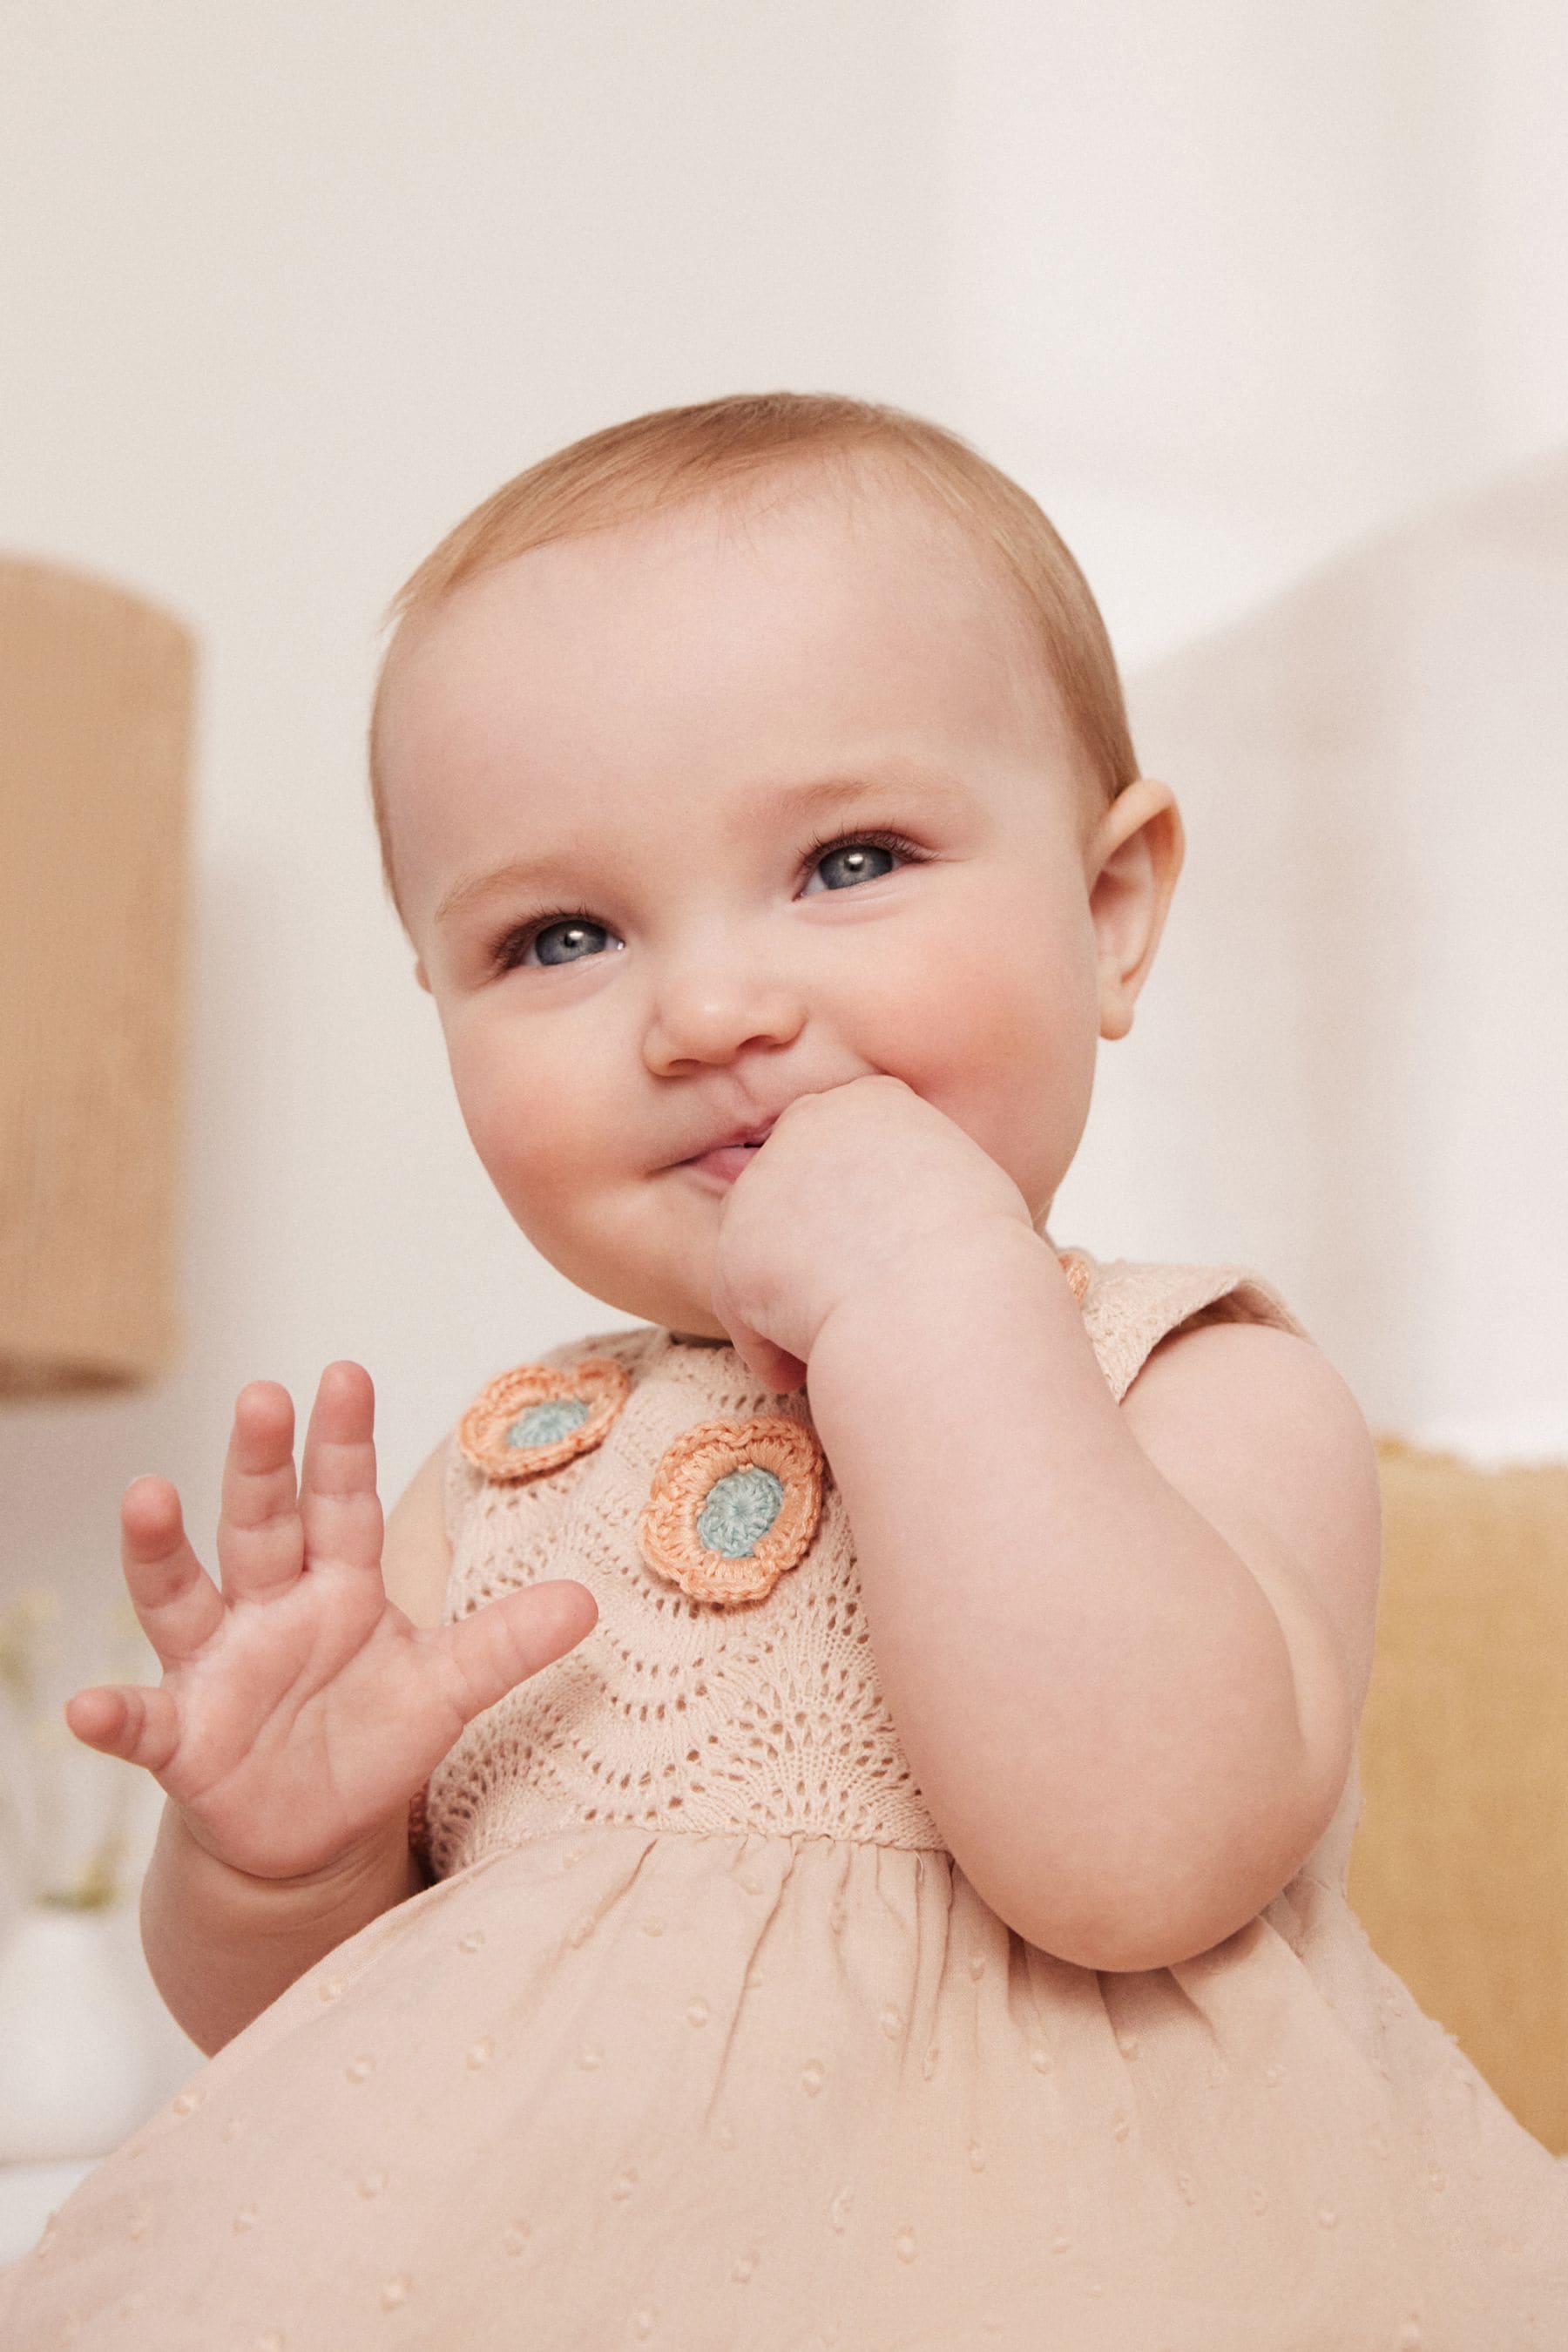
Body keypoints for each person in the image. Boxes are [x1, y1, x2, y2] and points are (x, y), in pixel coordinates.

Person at [4, 393, 1564, 2349]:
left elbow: (1136, 1864)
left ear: (1109, 909)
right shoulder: (505, 1475)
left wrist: (927, 1287)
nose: (713, 1010)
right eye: (561, 934)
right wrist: (276, 1860)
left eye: (849, 860)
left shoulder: (1191, 1386)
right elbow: (322, 2059)